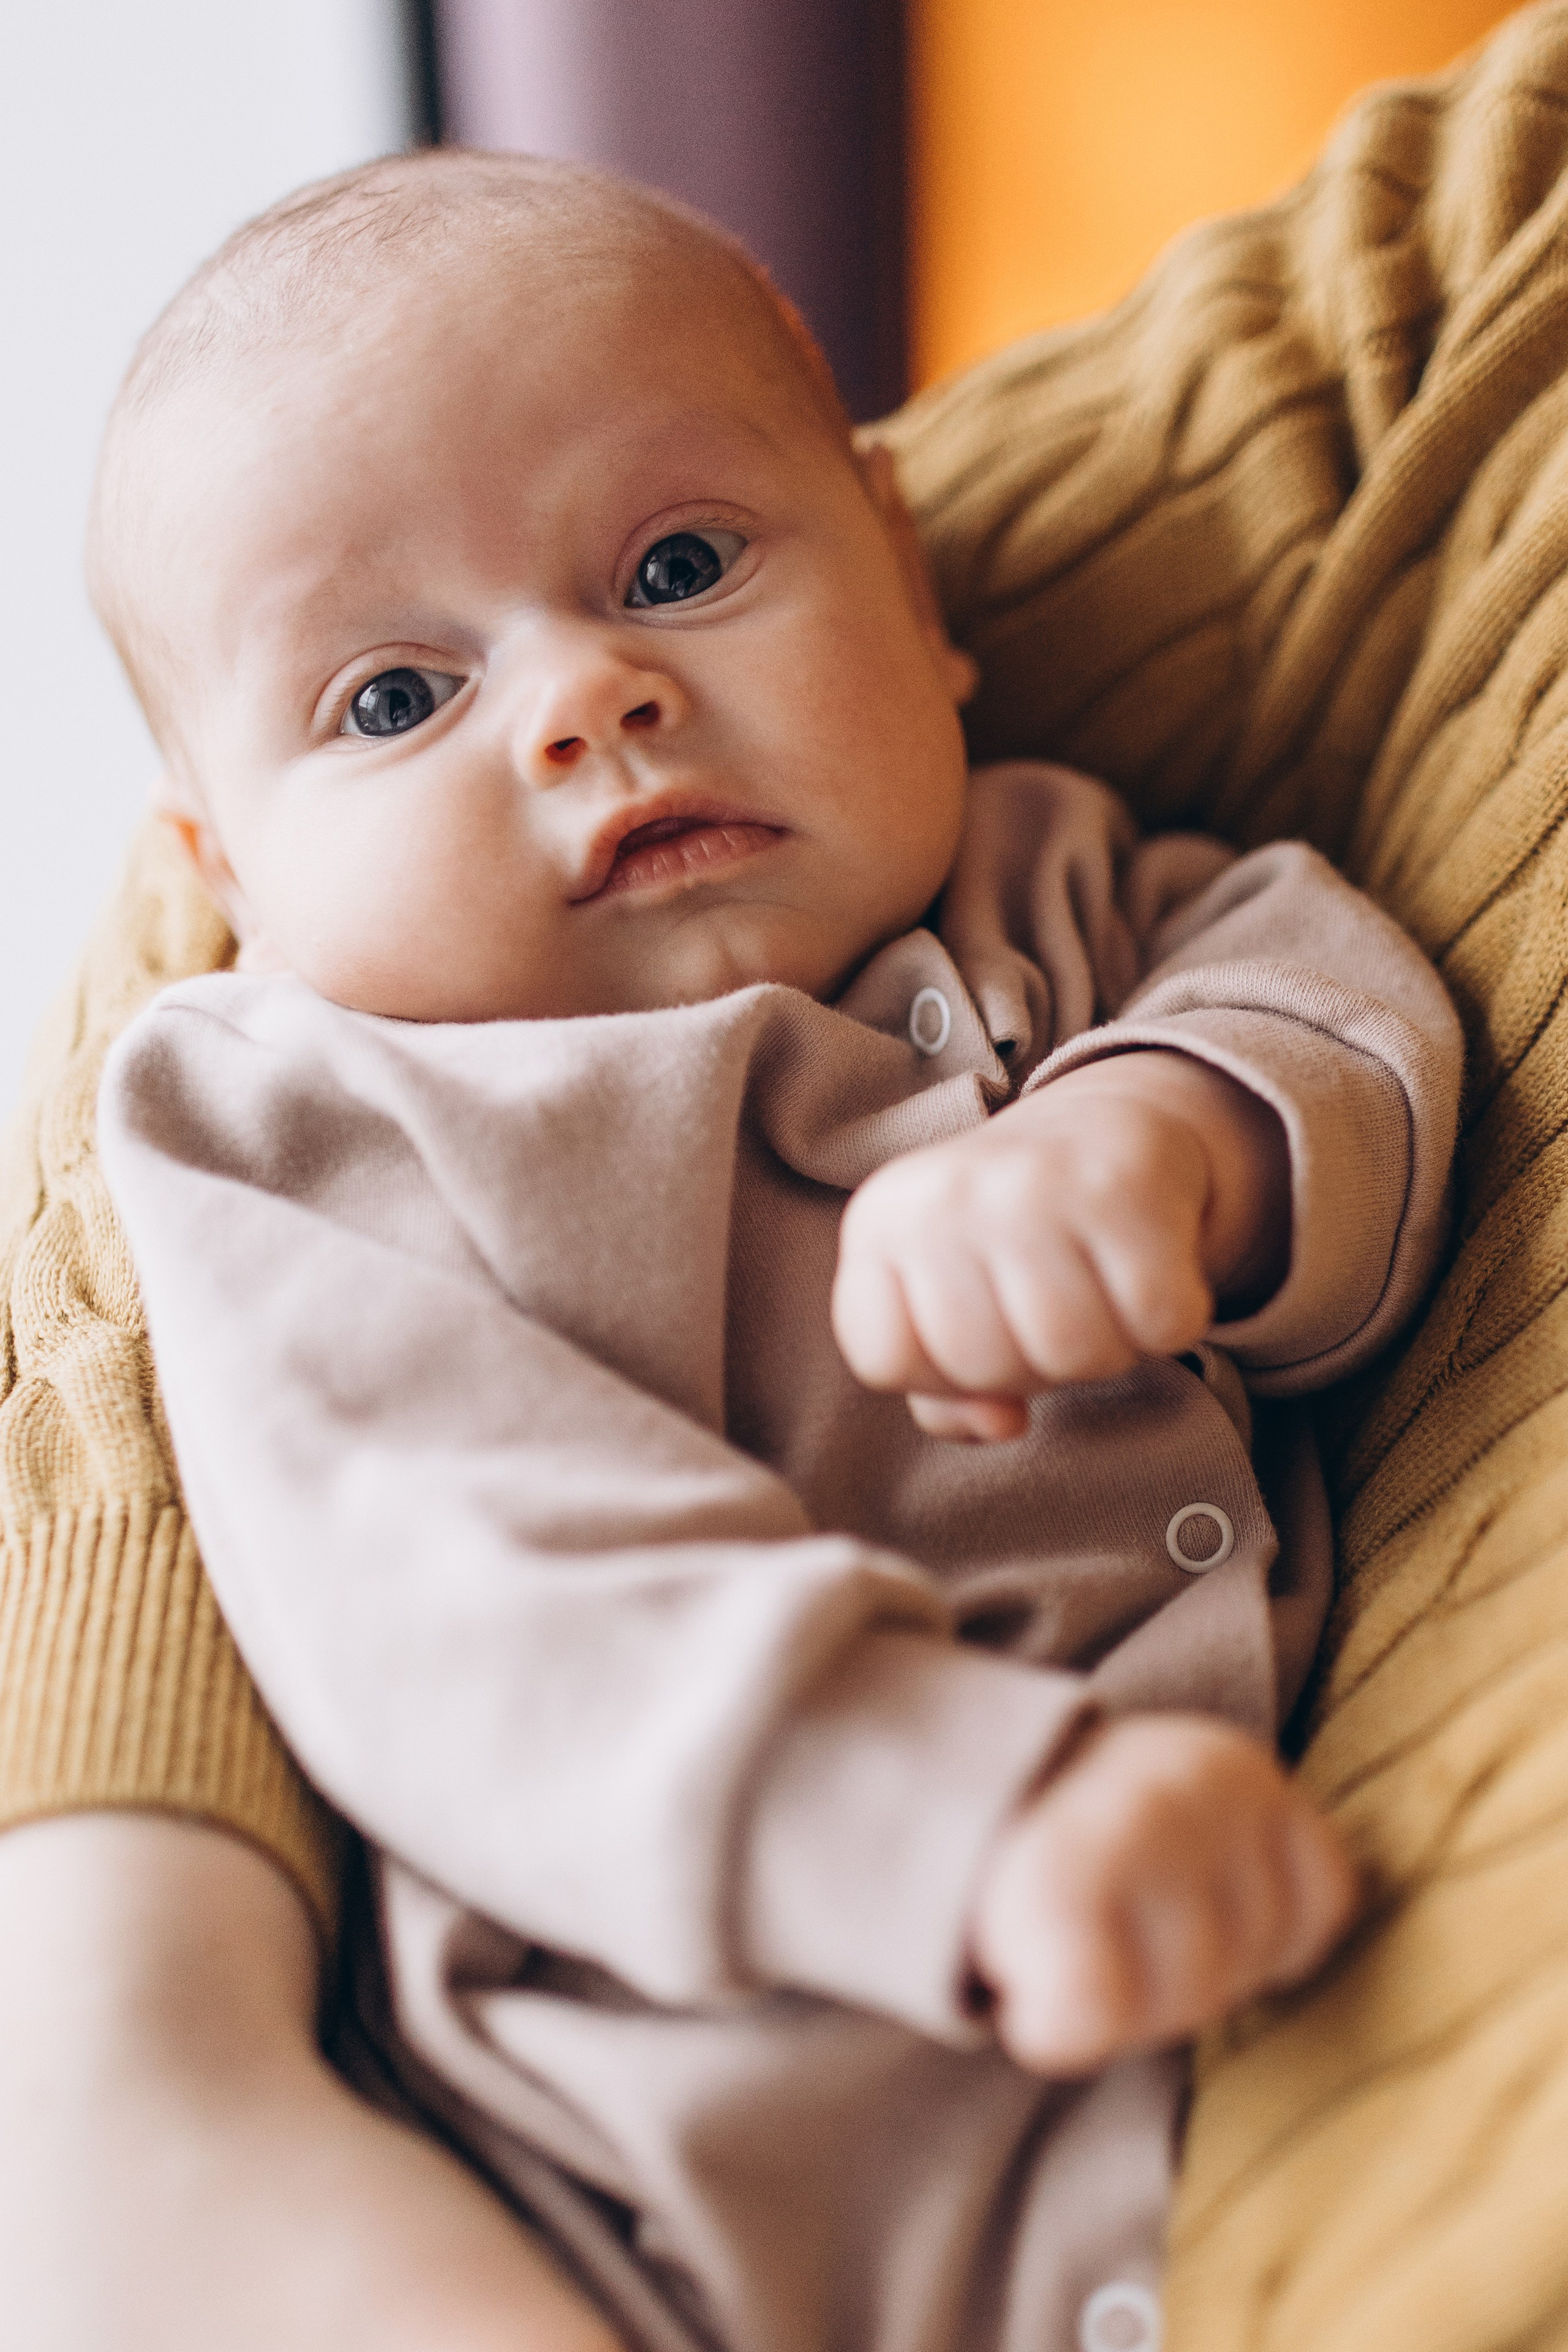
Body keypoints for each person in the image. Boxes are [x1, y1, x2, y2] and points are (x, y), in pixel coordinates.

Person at [75, 147, 1458, 2352]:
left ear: (912, 596)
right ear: (226, 870)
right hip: (734, 2132)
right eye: (394, 699)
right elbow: (458, 1590)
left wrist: (1164, 1141)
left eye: (684, 561)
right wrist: (960, 1812)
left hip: (1291, 2044)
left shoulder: (1052, 886)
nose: (585, 698)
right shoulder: (292, 1115)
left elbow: (1337, 1005)